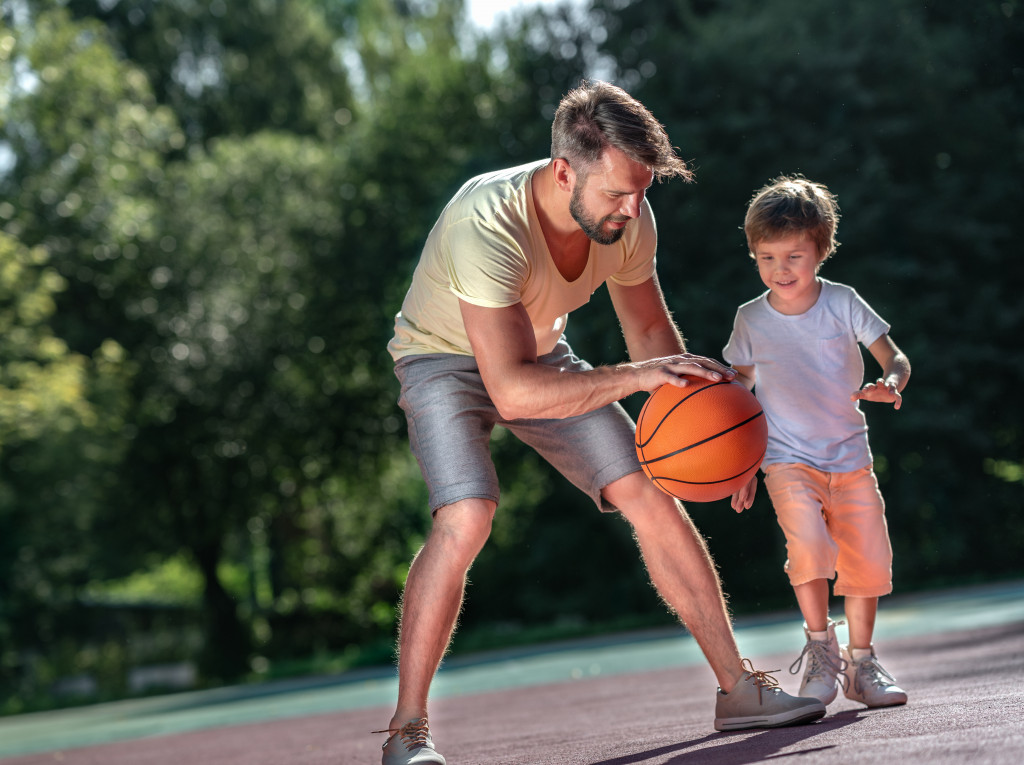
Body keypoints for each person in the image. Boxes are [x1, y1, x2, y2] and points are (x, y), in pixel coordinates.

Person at [378, 82, 825, 765]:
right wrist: (637, 378)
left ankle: (738, 687)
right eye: (617, 193)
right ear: (564, 171)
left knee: (650, 490)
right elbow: (511, 390)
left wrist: (724, 441)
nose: (632, 208)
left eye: (641, 192)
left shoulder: (629, 217)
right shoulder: (487, 219)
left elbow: (649, 332)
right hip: (443, 358)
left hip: (539, 354)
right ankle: (407, 729)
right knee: (466, 514)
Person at [723, 175, 912, 712]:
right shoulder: (750, 319)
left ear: (821, 251)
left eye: (793, 256)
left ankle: (862, 663)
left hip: (851, 459)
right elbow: (737, 395)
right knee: (807, 546)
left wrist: (891, 383)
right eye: (766, 257)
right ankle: (821, 649)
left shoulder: (844, 303)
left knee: (867, 561)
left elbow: (895, 358)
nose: (780, 269)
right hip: (785, 460)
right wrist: (739, 466)